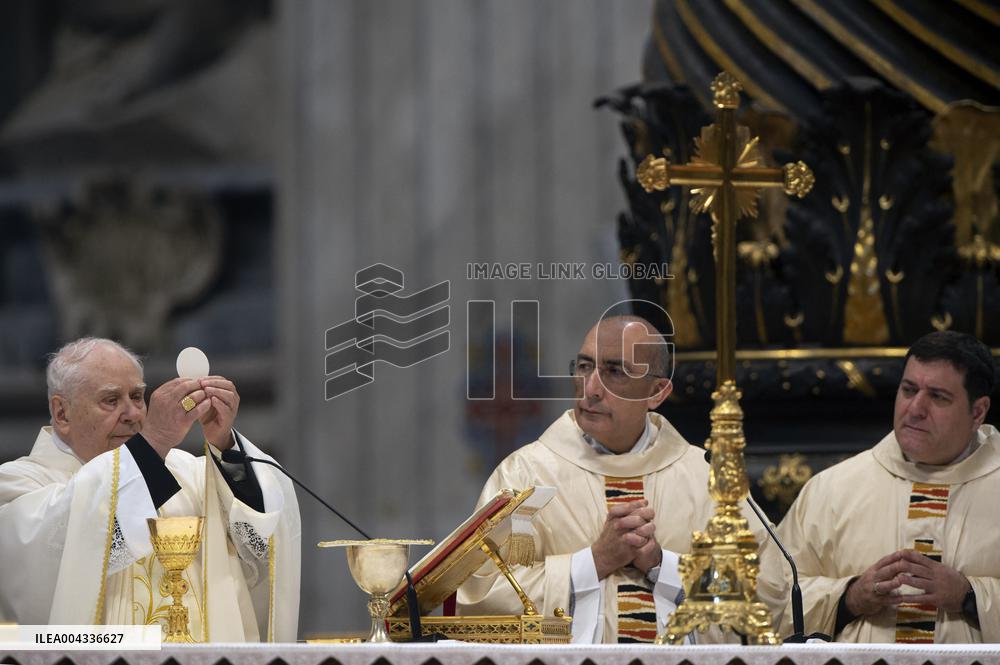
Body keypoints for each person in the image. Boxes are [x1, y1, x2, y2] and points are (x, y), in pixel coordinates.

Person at [458, 315, 782, 643]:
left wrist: (661, 566)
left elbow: (768, 593)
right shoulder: (525, 475)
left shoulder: (705, 478)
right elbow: (478, 595)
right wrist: (594, 562)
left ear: (656, 392)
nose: (591, 389)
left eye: (615, 372)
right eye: (584, 367)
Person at [0, 338, 300, 641]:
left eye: (137, 396)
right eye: (111, 400)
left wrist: (224, 444)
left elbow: (259, 544)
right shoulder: (19, 486)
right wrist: (154, 439)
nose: (133, 414)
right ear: (62, 413)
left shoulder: (188, 474)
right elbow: (68, 545)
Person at [776, 330, 999, 642]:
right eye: (909, 390)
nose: (916, 409)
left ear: (977, 412)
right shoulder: (833, 489)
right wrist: (849, 597)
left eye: (937, 397)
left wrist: (970, 596)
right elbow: (771, 600)